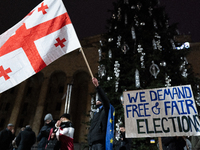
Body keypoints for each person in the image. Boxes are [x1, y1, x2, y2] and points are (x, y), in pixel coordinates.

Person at [87, 77, 110, 150]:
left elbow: (105, 100)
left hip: (99, 142)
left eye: (98, 100)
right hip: (92, 142)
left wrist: (97, 86)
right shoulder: (96, 113)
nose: (96, 102)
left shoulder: (105, 109)